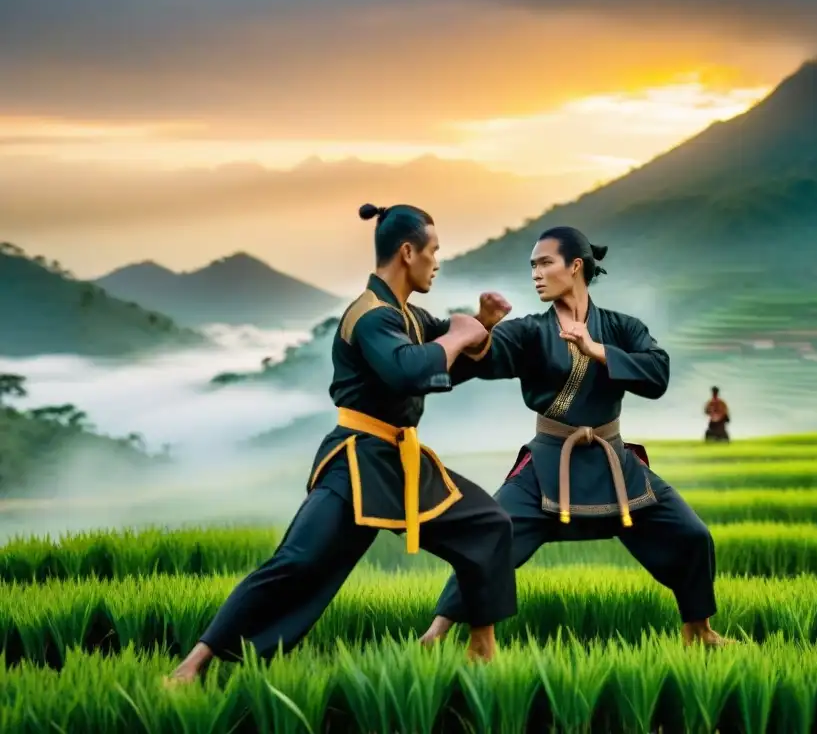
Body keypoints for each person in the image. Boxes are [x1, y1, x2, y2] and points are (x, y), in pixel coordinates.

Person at [166, 203, 518, 684]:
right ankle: (192, 668)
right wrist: (459, 334)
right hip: (356, 460)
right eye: (433, 251)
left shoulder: (409, 316)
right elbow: (409, 371)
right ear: (408, 251)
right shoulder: (369, 316)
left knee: (489, 526)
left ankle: (483, 651)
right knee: (297, 564)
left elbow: (447, 366)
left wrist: (483, 324)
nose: (437, 262)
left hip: (401, 460)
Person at [420, 226, 732, 649]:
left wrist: (596, 349)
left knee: (692, 536)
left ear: (576, 266)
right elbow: (476, 361)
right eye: (532, 265)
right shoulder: (529, 331)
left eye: (545, 262)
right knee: (491, 536)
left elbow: (657, 374)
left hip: (613, 463)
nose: (536, 272)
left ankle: (699, 631)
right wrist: (483, 327)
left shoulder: (622, 328)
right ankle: (438, 631)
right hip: (549, 464)